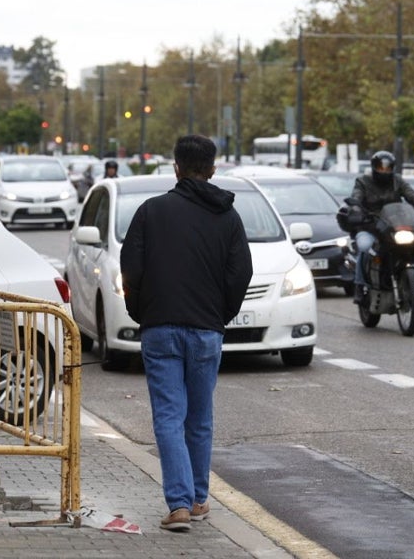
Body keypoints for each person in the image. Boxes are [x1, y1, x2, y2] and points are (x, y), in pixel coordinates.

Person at [120, 134, 253, 532]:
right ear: (213, 169)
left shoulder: (151, 211)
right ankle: (197, 499)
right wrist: (220, 315)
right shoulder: (228, 217)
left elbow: (131, 269)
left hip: (160, 329)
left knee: (168, 416)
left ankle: (178, 504)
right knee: (200, 418)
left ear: (175, 167)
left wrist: (141, 311)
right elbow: (240, 273)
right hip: (207, 331)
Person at [348, 150, 414, 303]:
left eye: (387, 167)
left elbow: (412, 195)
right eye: (380, 167)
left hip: (394, 225)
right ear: (374, 167)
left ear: (392, 168)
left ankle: (411, 280)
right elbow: (356, 197)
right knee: (365, 247)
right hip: (370, 226)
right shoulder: (363, 182)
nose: (384, 170)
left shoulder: (398, 181)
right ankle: (359, 285)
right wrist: (356, 211)